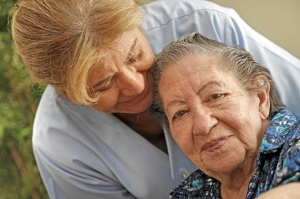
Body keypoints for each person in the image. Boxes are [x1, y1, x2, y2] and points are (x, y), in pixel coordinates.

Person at [10, 0, 300, 198]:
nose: (136, 85)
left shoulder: (208, 24)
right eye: (103, 84)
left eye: (135, 55)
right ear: (67, 92)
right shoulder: (60, 143)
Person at [150, 32, 300, 199]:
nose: (203, 125)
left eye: (215, 96)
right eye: (180, 113)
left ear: (260, 97)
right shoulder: (190, 194)